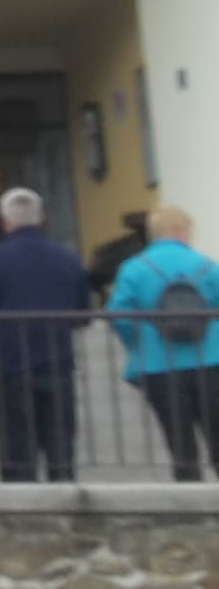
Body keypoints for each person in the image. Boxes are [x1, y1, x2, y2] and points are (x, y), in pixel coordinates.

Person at [0, 187, 89, 483]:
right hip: (58, 363)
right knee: (60, 449)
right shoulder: (67, 258)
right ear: (41, 217)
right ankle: (63, 500)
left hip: (10, 365)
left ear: (4, 221)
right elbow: (82, 313)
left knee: (17, 451)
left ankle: (22, 504)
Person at [105, 205, 219, 481]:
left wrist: (139, 344)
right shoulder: (206, 265)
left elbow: (118, 314)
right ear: (180, 230)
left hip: (159, 366)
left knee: (180, 446)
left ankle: (189, 497)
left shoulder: (134, 269)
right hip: (211, 361)